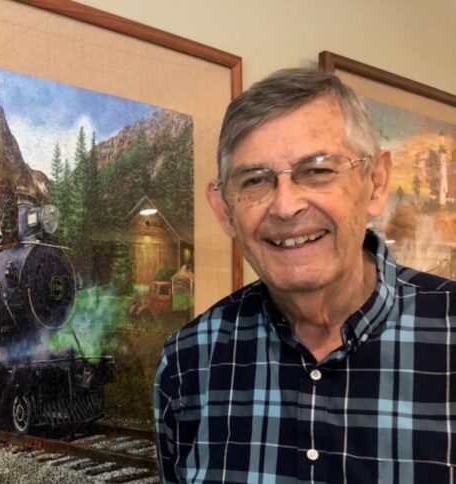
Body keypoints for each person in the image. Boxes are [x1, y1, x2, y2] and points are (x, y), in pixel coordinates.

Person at [154, 68, 456, 483]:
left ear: (376, 182)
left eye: (317, 171)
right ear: (225, 208)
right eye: (255, 180)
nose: (286, 206)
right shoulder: (189, 362)